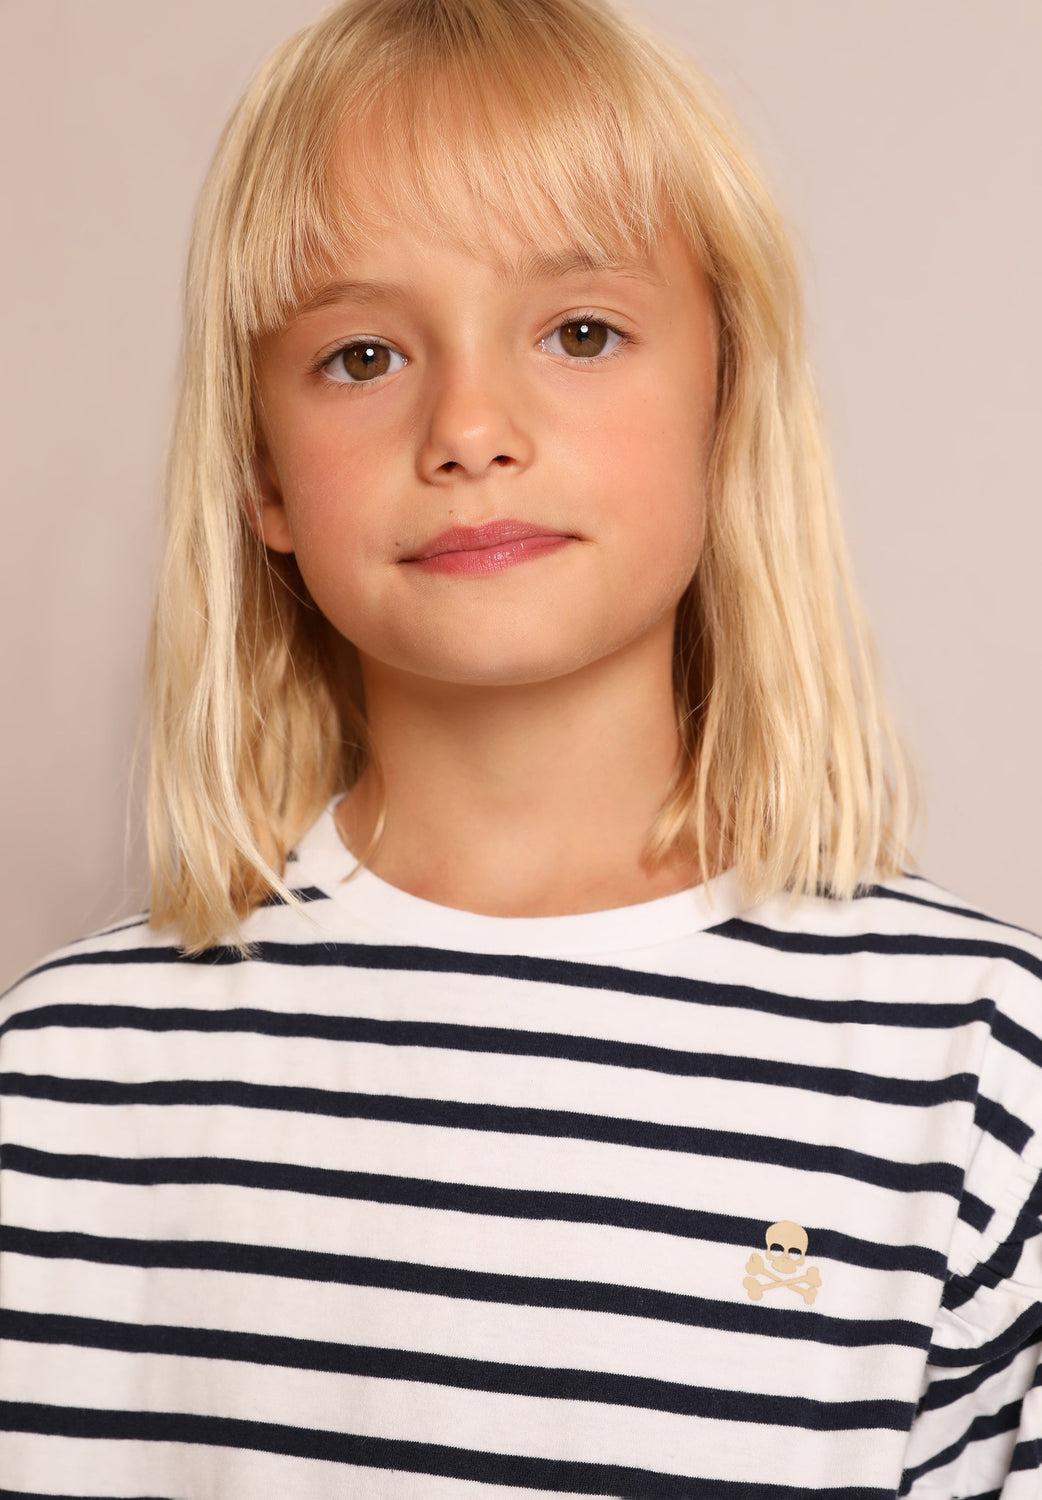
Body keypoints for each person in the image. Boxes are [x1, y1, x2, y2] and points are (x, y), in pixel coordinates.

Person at [1, 0, 1039, 1493]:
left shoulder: (976, 1068)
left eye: (580, 331)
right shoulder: (62, 1082)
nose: (470, 427)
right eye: (362, 354)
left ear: (726, 404)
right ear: (260, 473)